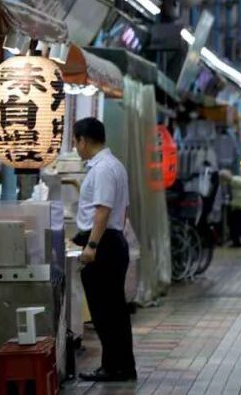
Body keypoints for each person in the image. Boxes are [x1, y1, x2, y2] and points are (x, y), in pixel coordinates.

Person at [71, 117, 136, 382]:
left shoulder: (102, 169)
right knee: (114, 311)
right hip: (111, 242)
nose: (76, 147)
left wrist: (92, 246)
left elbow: (102, 210)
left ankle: (114, 367)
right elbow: (123, 210)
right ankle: (120, 366)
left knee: (105, 312)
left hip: (103, 246)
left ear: (83, 141)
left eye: (76, 142)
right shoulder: (113, 165)